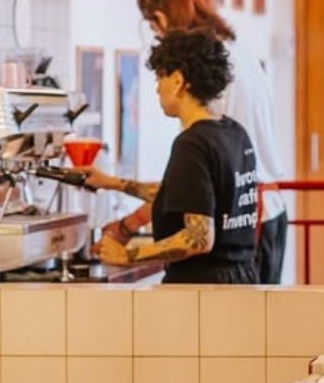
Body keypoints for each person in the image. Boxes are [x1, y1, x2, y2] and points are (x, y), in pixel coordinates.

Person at [102, 0, 289, 283]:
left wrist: (128, 235)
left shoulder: (200, 131)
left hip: (240, 224)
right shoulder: (235, 53)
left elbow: (202, 187)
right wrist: (114, 189)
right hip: (262, 212)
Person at [88, 30, 259, 284]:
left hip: (204, 290)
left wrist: (128, 255)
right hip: (242, 280)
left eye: (160, 77)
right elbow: (190, 198)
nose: (157, 88)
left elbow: (199, 238)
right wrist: (111, 183)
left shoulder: (192, 144)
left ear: (178, 81)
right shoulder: (234, 133)